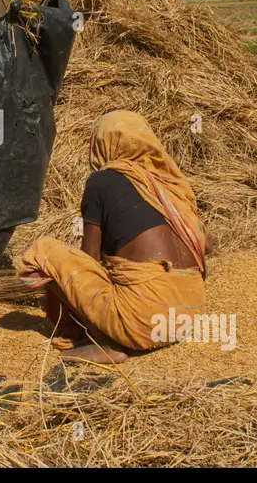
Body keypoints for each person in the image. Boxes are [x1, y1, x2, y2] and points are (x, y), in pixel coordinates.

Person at [20, 110, 212, 364]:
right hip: (187, 317)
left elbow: (90, 259)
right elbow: (207, 245)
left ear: (102, 144)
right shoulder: (171, 186)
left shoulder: (103, 181)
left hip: (141, 324)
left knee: (42, 251)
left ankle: (103, 341)